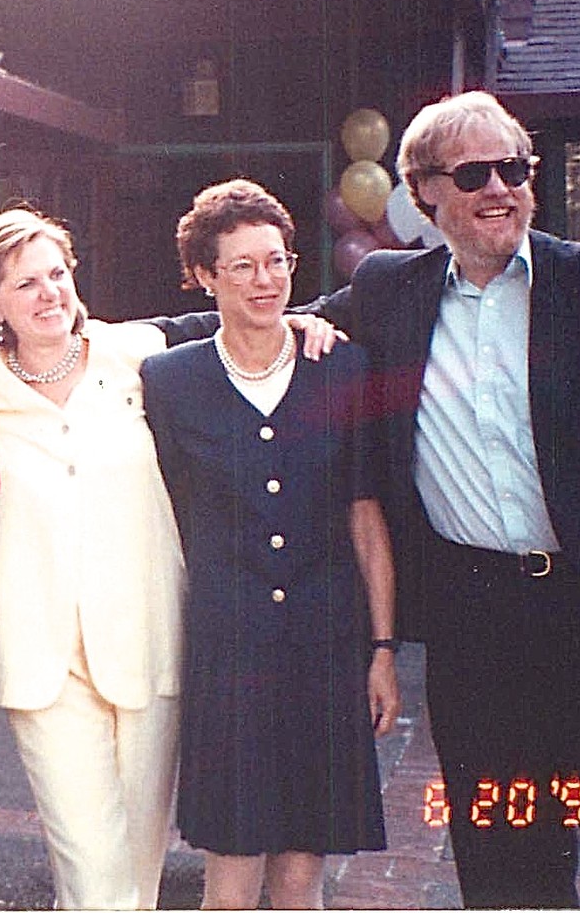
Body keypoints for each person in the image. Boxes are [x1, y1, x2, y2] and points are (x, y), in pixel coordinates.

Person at [308, 91, 580, 908]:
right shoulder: (386, 291)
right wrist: (105, 343)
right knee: (508, 880)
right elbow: (256, 331)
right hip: (480, 645)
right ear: (423, 196)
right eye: (472, 172)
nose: (498, 188)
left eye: (512, 168)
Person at [141, 179, 399, 911]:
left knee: (300, 874)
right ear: (203, 276)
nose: (266, 280)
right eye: (244, 266)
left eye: (277, 261)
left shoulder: (339, 367)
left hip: (323, 643)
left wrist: (380, 649)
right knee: (230, 880)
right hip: (230, 652)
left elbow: (364, 515)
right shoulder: (167, 381)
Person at [0, 208, 186, 910]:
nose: (48, 293)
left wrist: (300, 325)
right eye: (25, 283)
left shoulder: (137, 358)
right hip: (45, 664)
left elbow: (243, 333)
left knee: (138, 871)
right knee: (93, 871)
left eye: (56, 273)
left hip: (146, 643)